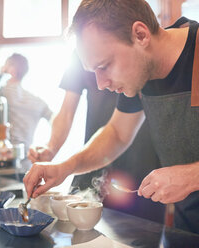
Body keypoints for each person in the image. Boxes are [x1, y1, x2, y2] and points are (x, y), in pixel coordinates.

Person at [23, 0, 199, 247]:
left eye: (104, 66)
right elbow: (117, 134)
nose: (101, 84)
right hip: (187, 233)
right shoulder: (141, 74)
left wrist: (193, 176)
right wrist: (65, 167)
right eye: (93, 72)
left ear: (140, 34)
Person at [28, 52, 164, 222]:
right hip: (92, 160)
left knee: (142, 234)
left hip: (142, 164)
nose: (102, 84)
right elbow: (66, 112)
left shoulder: (142, 52)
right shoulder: (82, 51)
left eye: (105, 65)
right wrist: (51, 148)